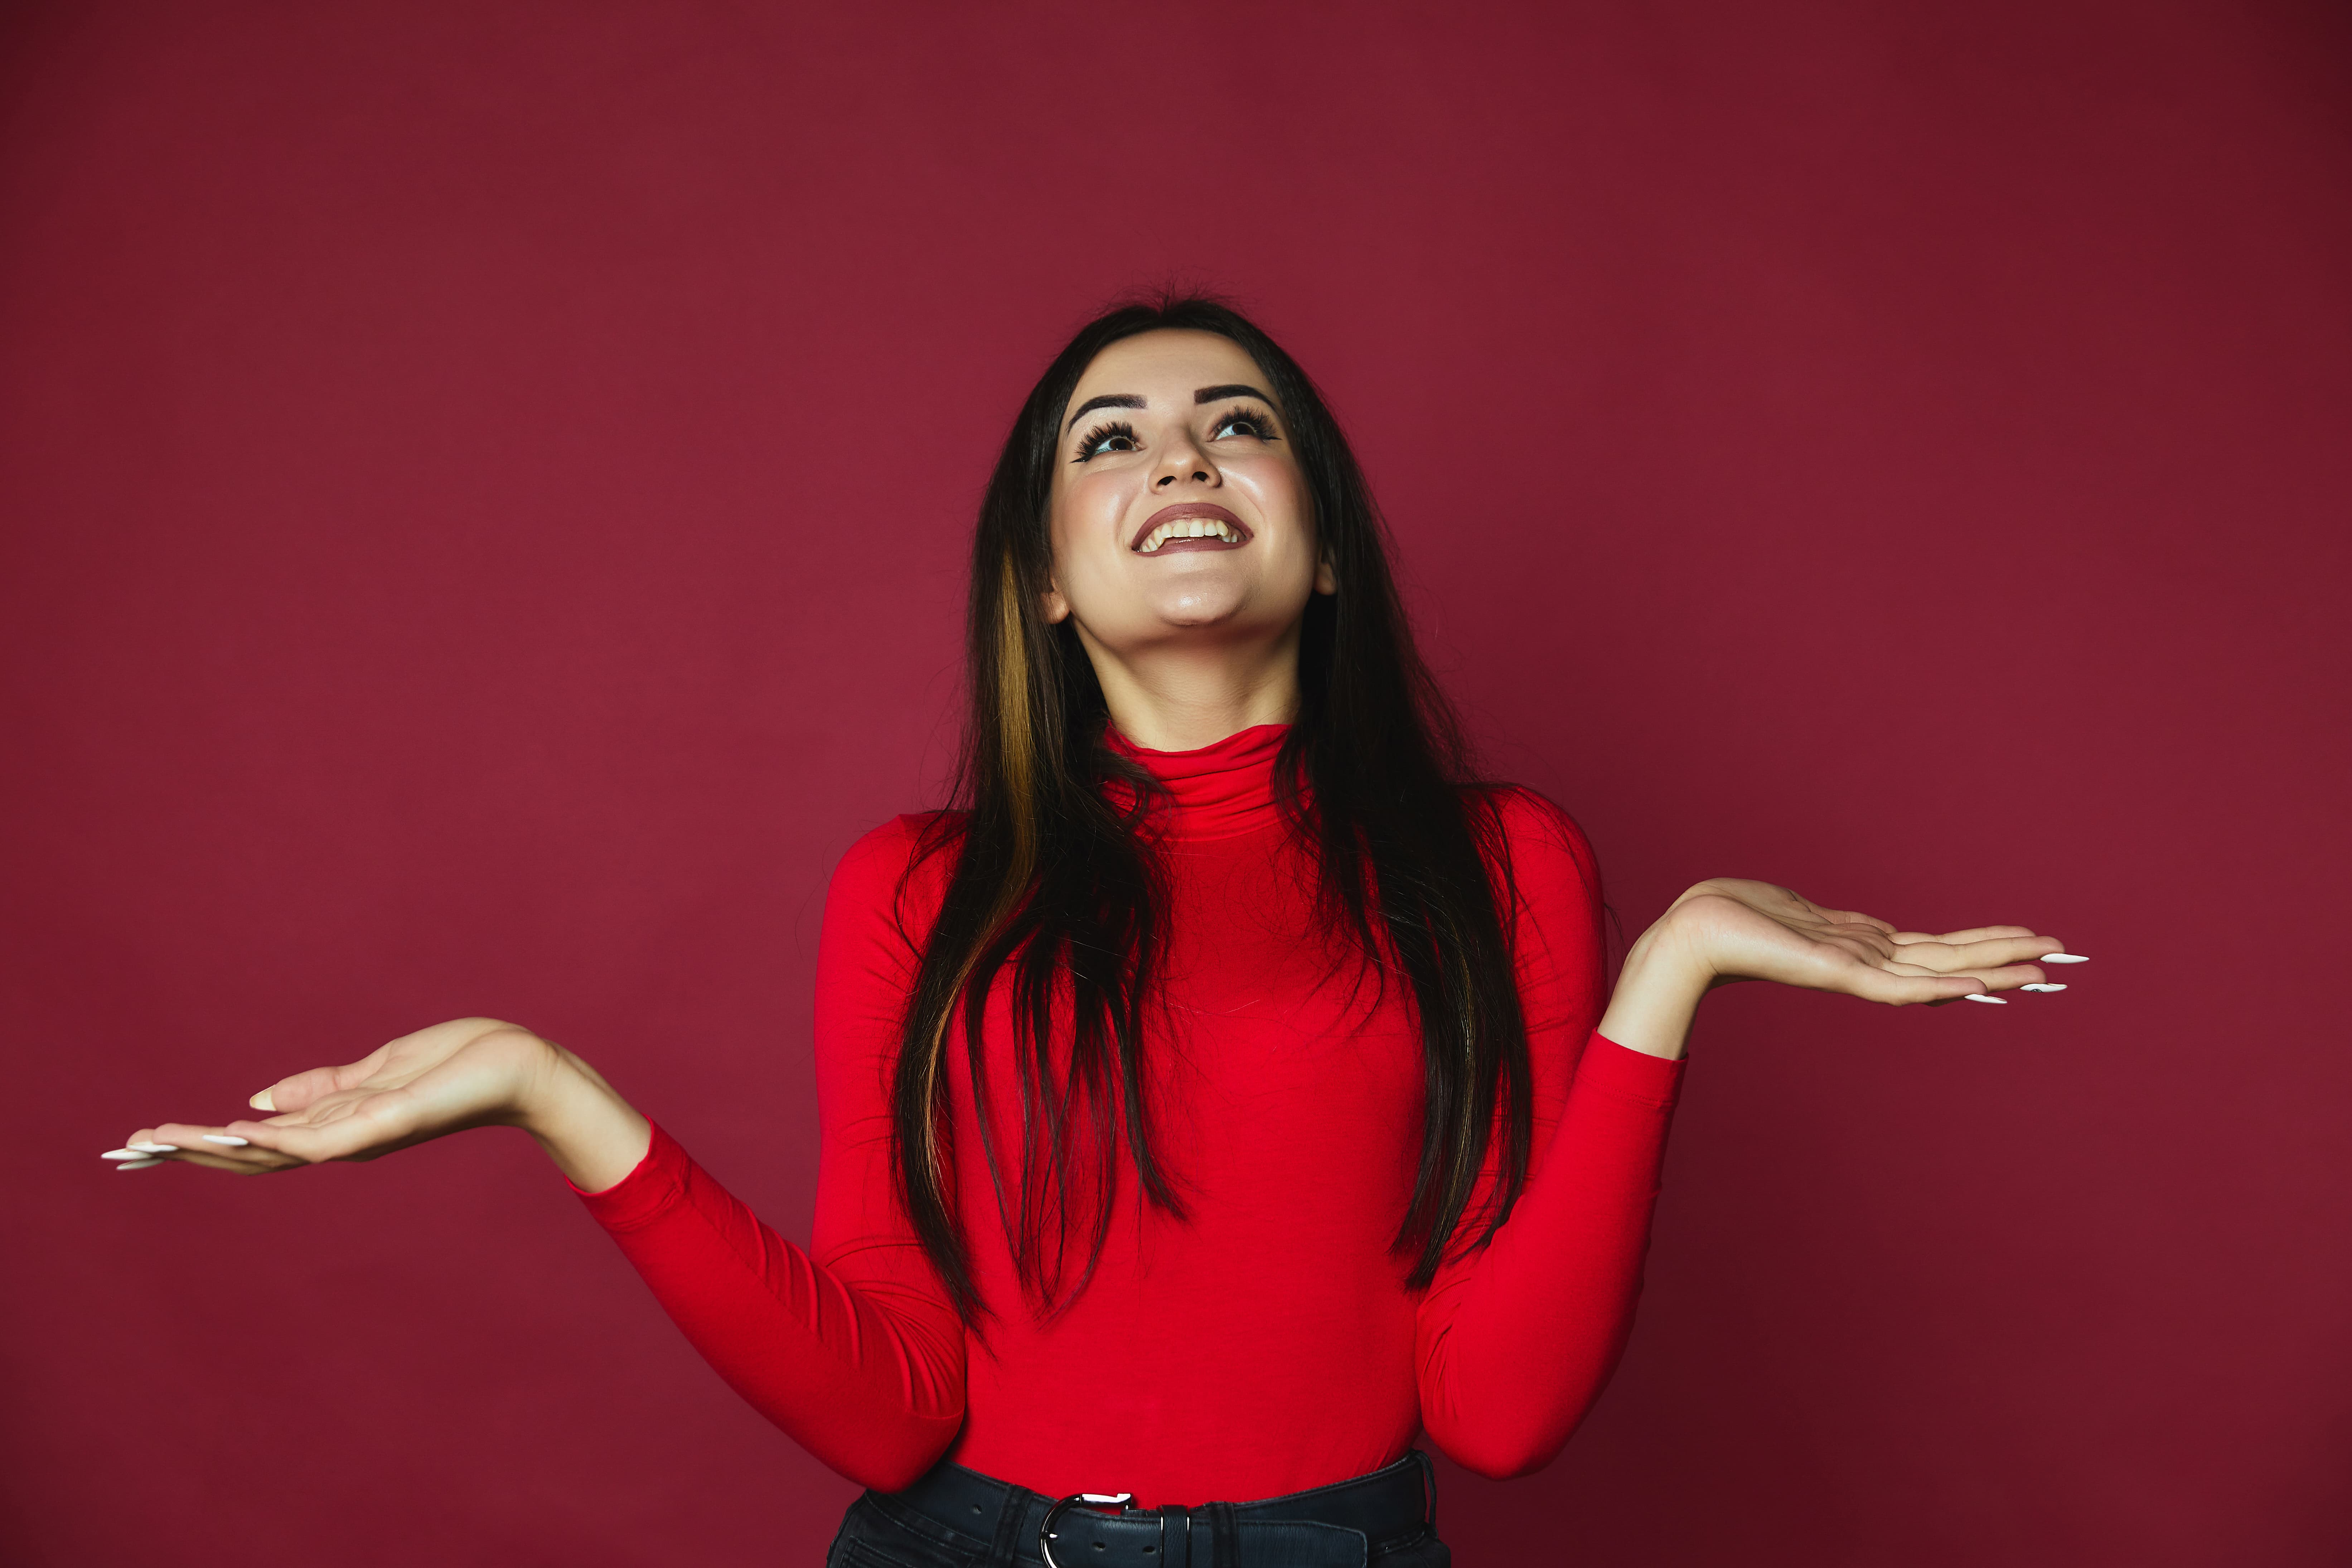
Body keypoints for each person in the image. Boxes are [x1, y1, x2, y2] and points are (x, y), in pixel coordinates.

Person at [107, 296, 2080, 1567]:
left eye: (1240, 424)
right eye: (1109, 440)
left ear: (1322, 541)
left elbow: (1500, 1411)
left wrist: (1674, 975)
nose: (1181, 459)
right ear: (1044, 579)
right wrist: (550, 1093)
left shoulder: (1501, 864)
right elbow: (889, 1402)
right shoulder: (915, 890)